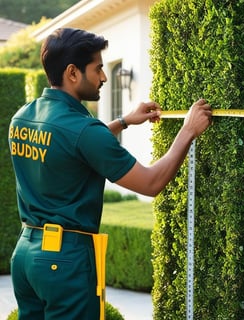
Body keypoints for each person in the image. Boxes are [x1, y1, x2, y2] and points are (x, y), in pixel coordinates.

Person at [8, 28, 212, 320]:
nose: (103, 77)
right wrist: (188, 131)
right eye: (98, 68)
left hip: (26, 254)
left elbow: (70, 147)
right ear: (72, 73)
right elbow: (151, 182)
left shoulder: (23, 116)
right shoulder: (84, 130)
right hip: (65, 262)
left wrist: (123, 121)